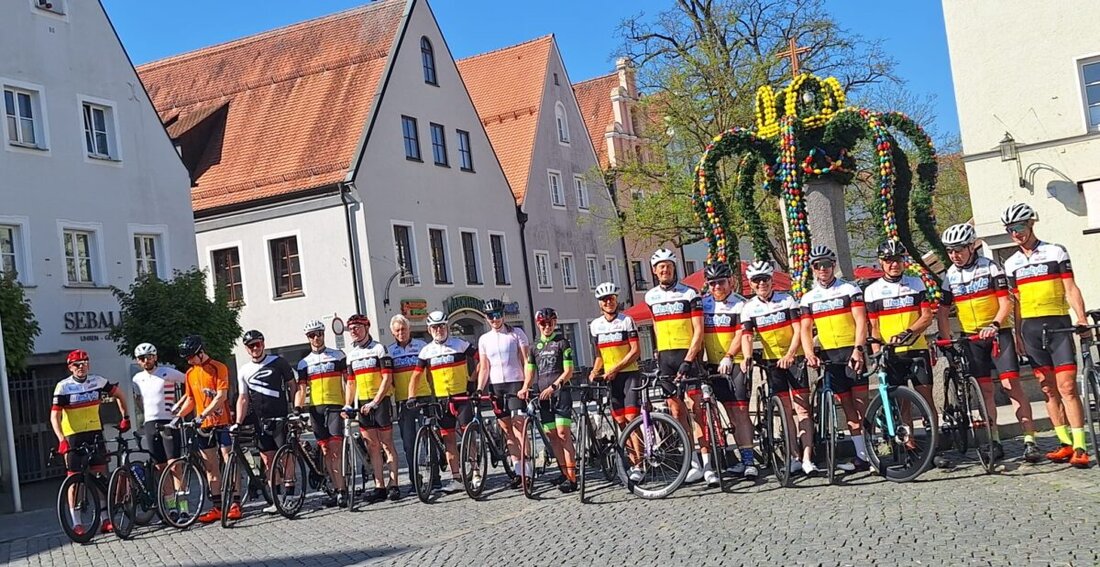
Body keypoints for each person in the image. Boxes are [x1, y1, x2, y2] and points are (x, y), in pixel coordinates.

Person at [937, 223, 1041, 463]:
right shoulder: (949, 276)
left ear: (971, 247)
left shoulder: (990, 267)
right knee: (985, 392)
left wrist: (994, 324)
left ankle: (1030, 440)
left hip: (997, 334)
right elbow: (942, 312)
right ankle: (994, 440)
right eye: (950, 251)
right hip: (971, 338)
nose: (954, 255)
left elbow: (1006, 302)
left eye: (958, 250)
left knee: (1011, 385)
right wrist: (945, 339)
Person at [1001, 203, 1091, 467]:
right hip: (1030, 329)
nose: (1015, 233)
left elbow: (1070, 288)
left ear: (1031, 224)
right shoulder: (1011, 263)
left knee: (1067, 388)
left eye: (1019, 226)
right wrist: (1018, 334)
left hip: (1058, 326)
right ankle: (1064, 442)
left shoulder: (1055, 251)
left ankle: (1080, 445)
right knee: (1047, 389)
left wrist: (1081, 317)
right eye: (1010, 229)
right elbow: (1015, 302)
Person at [863, 241, 951, 469]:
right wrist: (877, 355)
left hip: (916, 349)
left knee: (927, 400)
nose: (894, 264)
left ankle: (934, 449)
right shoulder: (872, 291)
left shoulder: (916, 283)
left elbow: (927, 316)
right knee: (903, 404)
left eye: (898, 259)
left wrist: (908, 332)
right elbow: (874, 328)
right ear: (881, 262)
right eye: (889, 260)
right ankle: (911, 449)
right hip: (892, 354)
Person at [644, 248, 713, 485]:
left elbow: (699, 330)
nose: (665, 270)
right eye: (661, 267)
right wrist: (657, 355)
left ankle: (708, 464)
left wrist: (689, 359)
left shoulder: (690, 294)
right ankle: (692, 463)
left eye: (669, 266)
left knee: (697, 411)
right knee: (676, 412)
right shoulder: (650, 297)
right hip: (666, 359)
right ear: (655, 271)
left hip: (687, 356)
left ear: (674, 269)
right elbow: (655, 326)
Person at [739, 260, 814, 476]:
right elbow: (747, 336)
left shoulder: (786, 299)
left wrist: (790, 354)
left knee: (802, 409)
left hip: (794, 358)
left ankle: (807, 457)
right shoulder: (748, 308)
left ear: (772, 280)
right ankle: (794, 456)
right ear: (751, 284)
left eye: (765, 279)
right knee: (785, 411)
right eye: (757, 280)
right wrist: (746, 357)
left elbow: (798, 330)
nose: (762, 283)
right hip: (772, 363)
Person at [799, 246, 869, 472]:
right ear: (813, 269)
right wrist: (809, 353)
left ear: (833, 266)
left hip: (851, 352)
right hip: (830, 355)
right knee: (847, 408)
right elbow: (805, 329)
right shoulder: (808, 298)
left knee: (862, 406)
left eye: (827, 265)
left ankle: (872, 452)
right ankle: (861, 456)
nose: (823, 269)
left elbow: (861, 321)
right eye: (818, 265)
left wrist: (858, 349)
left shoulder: (849, 289)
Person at [52, 349, 130, 536]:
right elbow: (54, 416)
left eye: (85, 363)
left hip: (94, 433)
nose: (82, 367)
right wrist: (61, 439)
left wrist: (125, 417)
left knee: (99, 475)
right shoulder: (63, 387)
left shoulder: (98, 381)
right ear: (70, 367)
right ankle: (77, 523)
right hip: (73, 436)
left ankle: (105, 518)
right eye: (77, 365)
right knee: (73, 480)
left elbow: (120, 394)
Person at [408, 310, 478, 494]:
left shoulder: (460, 344)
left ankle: (476, 471)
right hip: (441, 400)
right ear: (429, 330)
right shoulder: (426, 351)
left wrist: (472, 380)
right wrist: (411, 396)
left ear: (447, 327)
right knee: (448, 440)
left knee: (468, 435)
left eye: (441, 326)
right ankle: (456, 478)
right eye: (434, 327)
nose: (438, 330)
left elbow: (482, 360)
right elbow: (416, 375)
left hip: (462, 397)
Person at [701, 262, 756, 479]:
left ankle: (749, 460)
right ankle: (741, 457)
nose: (717, 287)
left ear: (730, 281)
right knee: (729, 413)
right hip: (714, 365)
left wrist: (730, 355)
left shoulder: (740, 304)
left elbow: (740, 334)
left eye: (721, 282)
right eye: (712, 283)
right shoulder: (704, 304)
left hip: (735, 362)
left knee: (740, 412)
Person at [232, 330, 297, 514]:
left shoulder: (278, 362)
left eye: (257, 344)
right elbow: (243, 398)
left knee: (286, 457)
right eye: (250, 346)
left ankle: (290, 495)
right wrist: (238, 422)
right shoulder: (244, 370)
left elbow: (292, 385)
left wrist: (295, 410)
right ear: (246, 349)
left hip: (281, 417)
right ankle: (277, 498)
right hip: (260, 422)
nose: (255, 348)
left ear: (263, 344)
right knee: (268, 460)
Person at [174, 335, 235, 522]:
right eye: (187, 358)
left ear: (201, 352)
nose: (189, 361)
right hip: (204, 426)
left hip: (222, 422)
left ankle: (235, 504)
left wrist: (203, 414)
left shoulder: (218, 367)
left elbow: (221, 397)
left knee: (229, 461)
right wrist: (177, 417)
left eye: (191, 357)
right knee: (210, 467)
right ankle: (217, 507)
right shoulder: (190, 373)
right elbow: (190, 400)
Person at [588, 282, 644, 482]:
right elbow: (599, 356)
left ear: (616, 300)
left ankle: (639, 465)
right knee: (620, 422)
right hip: (611, 379)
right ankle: (632, 460)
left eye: (611, 298)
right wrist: (595, 371)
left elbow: (635, 351)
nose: (608, 302)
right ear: (599, 303)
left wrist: (615, 369)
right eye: (604, 300)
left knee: (632, 420)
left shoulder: (626, 321)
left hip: (629, 375)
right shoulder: (595, 326)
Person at [344, 314, 401, 502]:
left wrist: (375, 402)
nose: (353, 331)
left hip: (381, 402)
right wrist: (348, 404)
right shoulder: (351, 355)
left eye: (357, 327)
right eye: (351, 328)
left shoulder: (379, 349)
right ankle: (379, 486)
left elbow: (387, 378)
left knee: (387, 444)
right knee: (372, 447)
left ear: (366, 328)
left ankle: (394, 484)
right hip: (362, 404)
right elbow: (351, 383)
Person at [520, 308, 577, 492]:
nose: (547, 326)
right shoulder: (534, 347)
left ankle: (573, 478)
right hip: (543, 397)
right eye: (543, 323)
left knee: (563, 434)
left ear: (555, 323)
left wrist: (554, 387)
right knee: (552, 436)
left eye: (550, 323)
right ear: (538, 324)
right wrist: (525, 387)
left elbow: (569, 371)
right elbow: (530, 372)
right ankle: (563, 473)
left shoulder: (562, 343)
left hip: (560, 393)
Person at [476, 298, 530, 487]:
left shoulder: (516, 333)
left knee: (519, 427)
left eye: (498, 315)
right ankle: (517, 471)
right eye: (490, 316)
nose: (495, 319)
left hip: (516, 383)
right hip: (496, 386)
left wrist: (527, 385)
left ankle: (528, 470)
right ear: (486, 318)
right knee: (507, 430)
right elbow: (484, 368)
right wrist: (479, 388)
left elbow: (526, 361)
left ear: (503, 315)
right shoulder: (484, 339)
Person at [295, 319, 349, 507]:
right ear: (308, 338)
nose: (316, 338)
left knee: (335, 449)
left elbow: (348, 381)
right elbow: (301, 389)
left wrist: (348, 404)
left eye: (319, 334)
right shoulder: (303, 363)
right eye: (312, 335)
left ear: (324, 334)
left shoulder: (338, 355)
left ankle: (342, 491)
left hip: (335, 406)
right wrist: (297, 408)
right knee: (325, 450)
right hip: (316, 409)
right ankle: (336, 488)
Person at [130, 342, 185, 517]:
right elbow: (138, 399)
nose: (145, 361)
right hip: (150, 423)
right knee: (161, 467)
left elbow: (190, 385)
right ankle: (172, 508)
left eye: (149, 357)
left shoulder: (168, 372)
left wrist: (180, 404)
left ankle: (184, 508)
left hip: (169, 421)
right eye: (141, 358)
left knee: (174, 466)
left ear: (155, 357)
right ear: (138, 361)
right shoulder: (137, 378)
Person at [389, 314, 431, 495]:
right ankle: (415, 480)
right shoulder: (390, 351)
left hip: (424, 396)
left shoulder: (422, 346)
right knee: (408, 442)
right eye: (397, 330)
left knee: (429, 438)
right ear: (393, 333)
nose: (401, 333)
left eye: (404, 329)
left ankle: (435, 478)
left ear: (409, 329)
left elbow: (430, 371)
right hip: (403, 400)